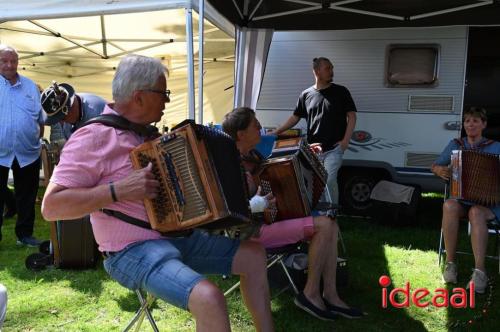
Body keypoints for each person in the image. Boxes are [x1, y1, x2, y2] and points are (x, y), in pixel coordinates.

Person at [41, 54, 274, 332]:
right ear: (139, 97)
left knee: (254, 256)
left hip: (177, 238)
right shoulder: (93, 137)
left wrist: (236, 185)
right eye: (163, 93)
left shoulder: (147, 136)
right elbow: (51, 206)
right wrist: (117, 191)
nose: (166, 100)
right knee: (209, 298)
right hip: (130, 251)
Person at [222, 107, 364, 320]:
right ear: (240, 134)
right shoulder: (228, 164)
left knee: (330, 223)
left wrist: (307, 154)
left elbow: (275, 173)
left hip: (269, 222)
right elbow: (231, 210)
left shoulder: (252, 155)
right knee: (324, 226)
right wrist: (255, 202)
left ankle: (331, 294)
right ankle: (310, 293)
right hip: (251, 233)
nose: (260, 127)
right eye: (255, 125)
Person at [432, 106, 500, 294]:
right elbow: (436, 165)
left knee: (476, 212)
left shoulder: (496, 147)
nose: (471, 124)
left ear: (483, 125)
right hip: (463, 198)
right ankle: (451, 263)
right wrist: (440, 170)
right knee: (449, 205)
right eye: (467, 121)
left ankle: (480, 272)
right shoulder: (455, 144)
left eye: (475, 121)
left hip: (489, 203)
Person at [271, 57, 357, 205]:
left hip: (334, 148)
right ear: (317, 71)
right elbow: (295, 117)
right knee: (315, 183)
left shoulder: (341, 91)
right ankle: (317, 214)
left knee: (329, 180)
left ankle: (331, 214)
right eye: (328, 68)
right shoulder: (306, 94)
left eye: (332, 68)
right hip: (313, 149)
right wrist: (276, 132)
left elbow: (352, 116)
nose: (332, 71)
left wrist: (345, 141)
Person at [0, 44, 44, 246]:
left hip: (28, 152)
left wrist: (38, 140)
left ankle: (25, 235)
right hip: (0, 153)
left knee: (27, 195)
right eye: (4, 61)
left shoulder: (30, 86)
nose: (9, 65)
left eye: (13, 61)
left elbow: (41, 118)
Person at [41, 82, 106, 144]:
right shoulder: (72, 115)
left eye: (62, 118)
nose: (61, 122)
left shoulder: (97, 118)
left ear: (70, 109)